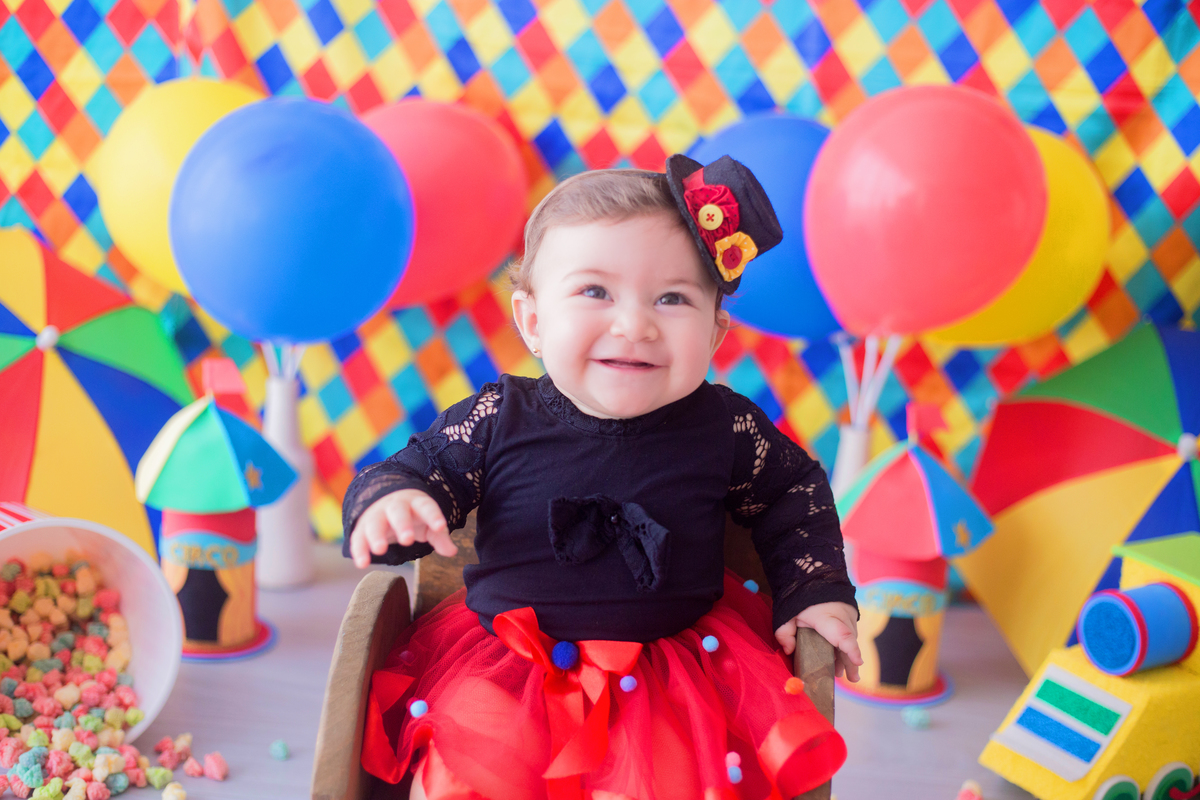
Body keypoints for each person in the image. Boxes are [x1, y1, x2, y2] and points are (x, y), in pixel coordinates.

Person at [342, 154, 862, 800]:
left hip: (672, 671)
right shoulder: (498, 417)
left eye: (672, 298)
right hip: (509, 663)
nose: (635, 324)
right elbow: (418, 468)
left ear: (715, 332)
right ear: (533, 322)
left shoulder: (724, 427)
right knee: (462, 773)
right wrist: (393, 500)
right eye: (595, 292)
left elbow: (794, 491)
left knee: (663, 779)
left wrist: (816, 590)